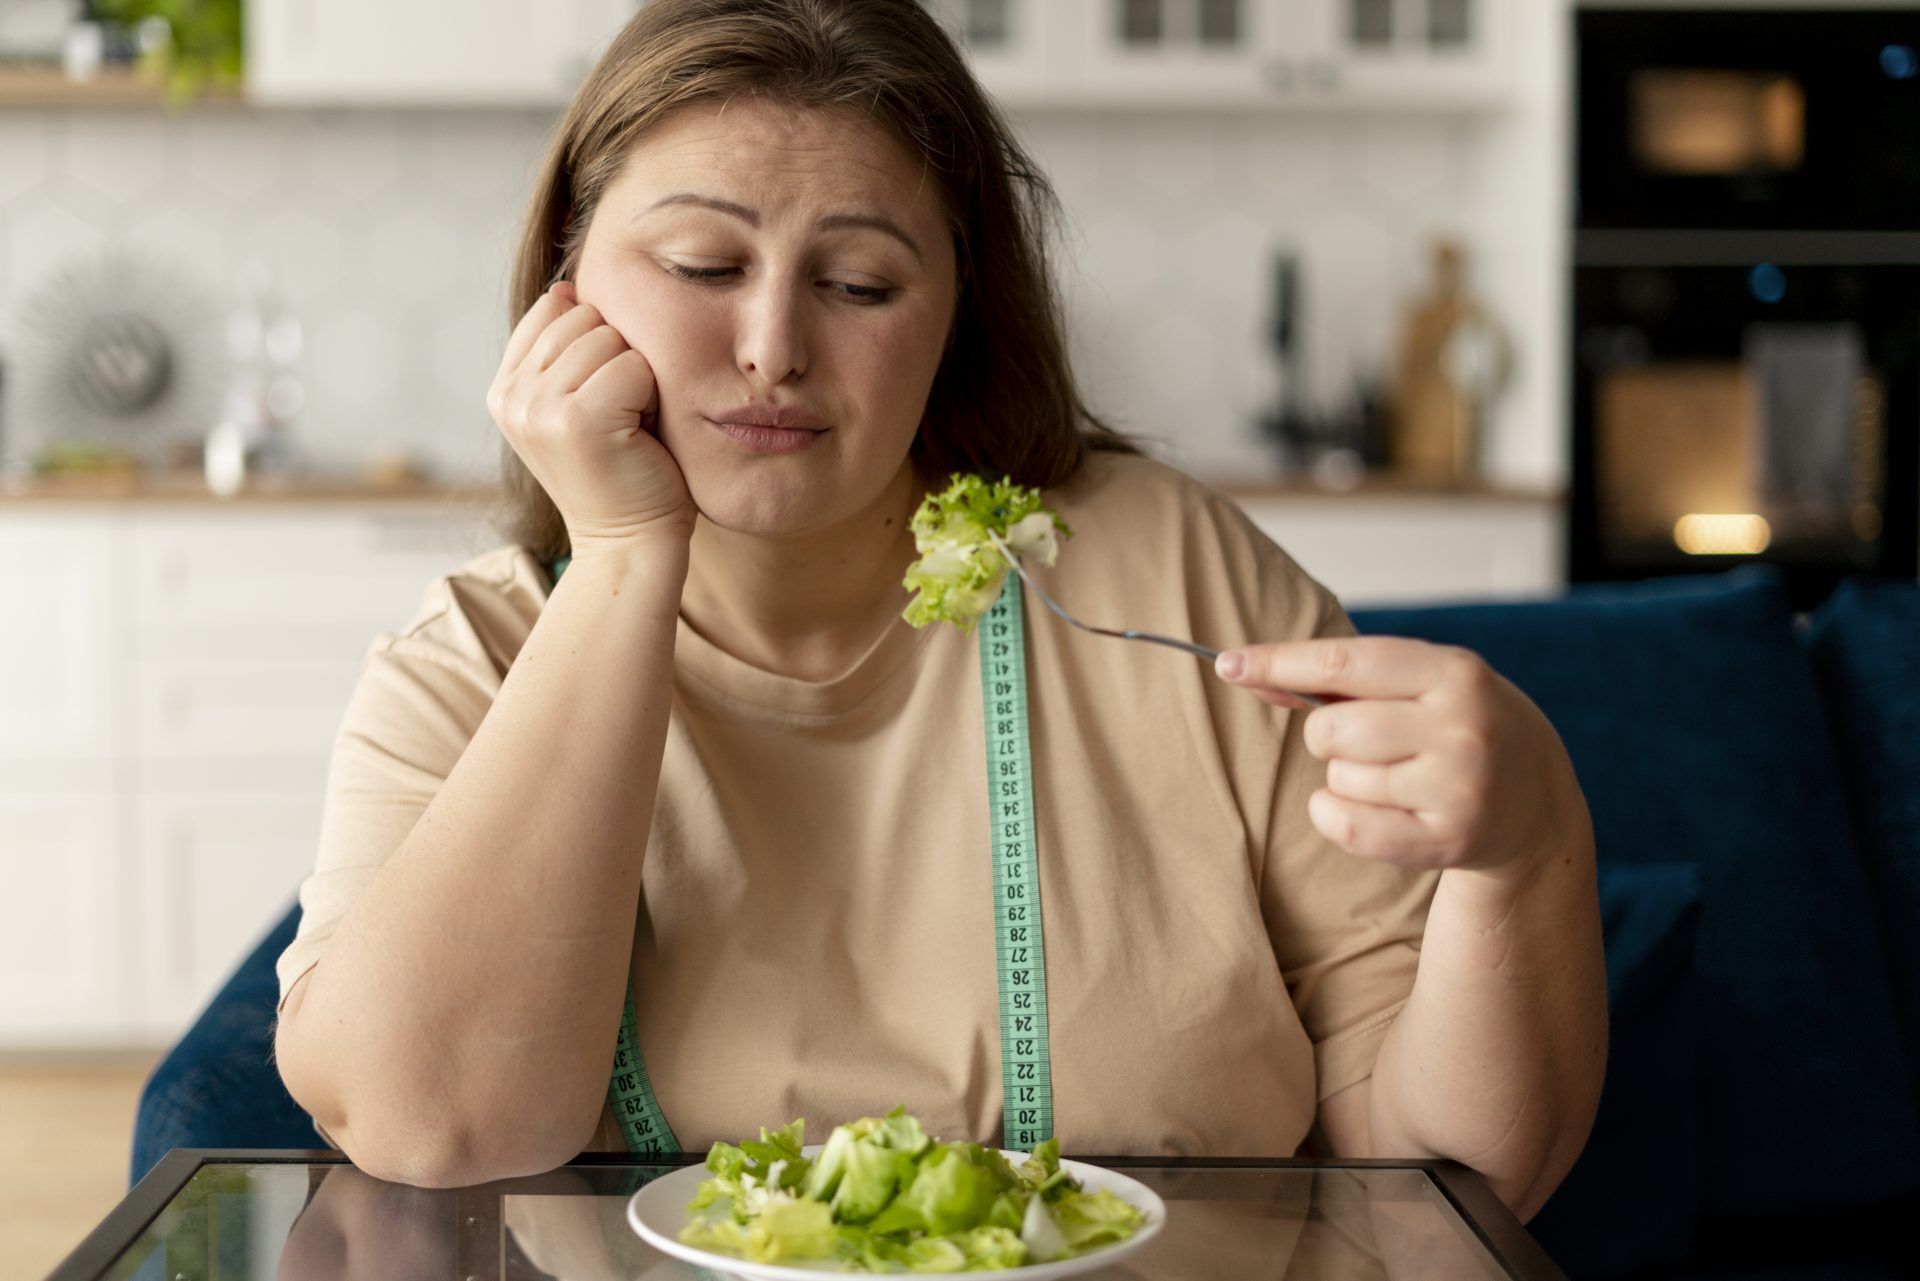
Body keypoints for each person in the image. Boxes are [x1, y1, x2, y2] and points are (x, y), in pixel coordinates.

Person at [270, 0, 1606, 1220]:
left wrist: (1527, 851)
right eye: (700, 263)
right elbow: (431, 1123)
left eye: (859, 284)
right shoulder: (471, 664)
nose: (774, 347)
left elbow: (1448, 1165)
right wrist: (623, 554)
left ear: (958, 312)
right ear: (565, 286)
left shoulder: (1169, 569)